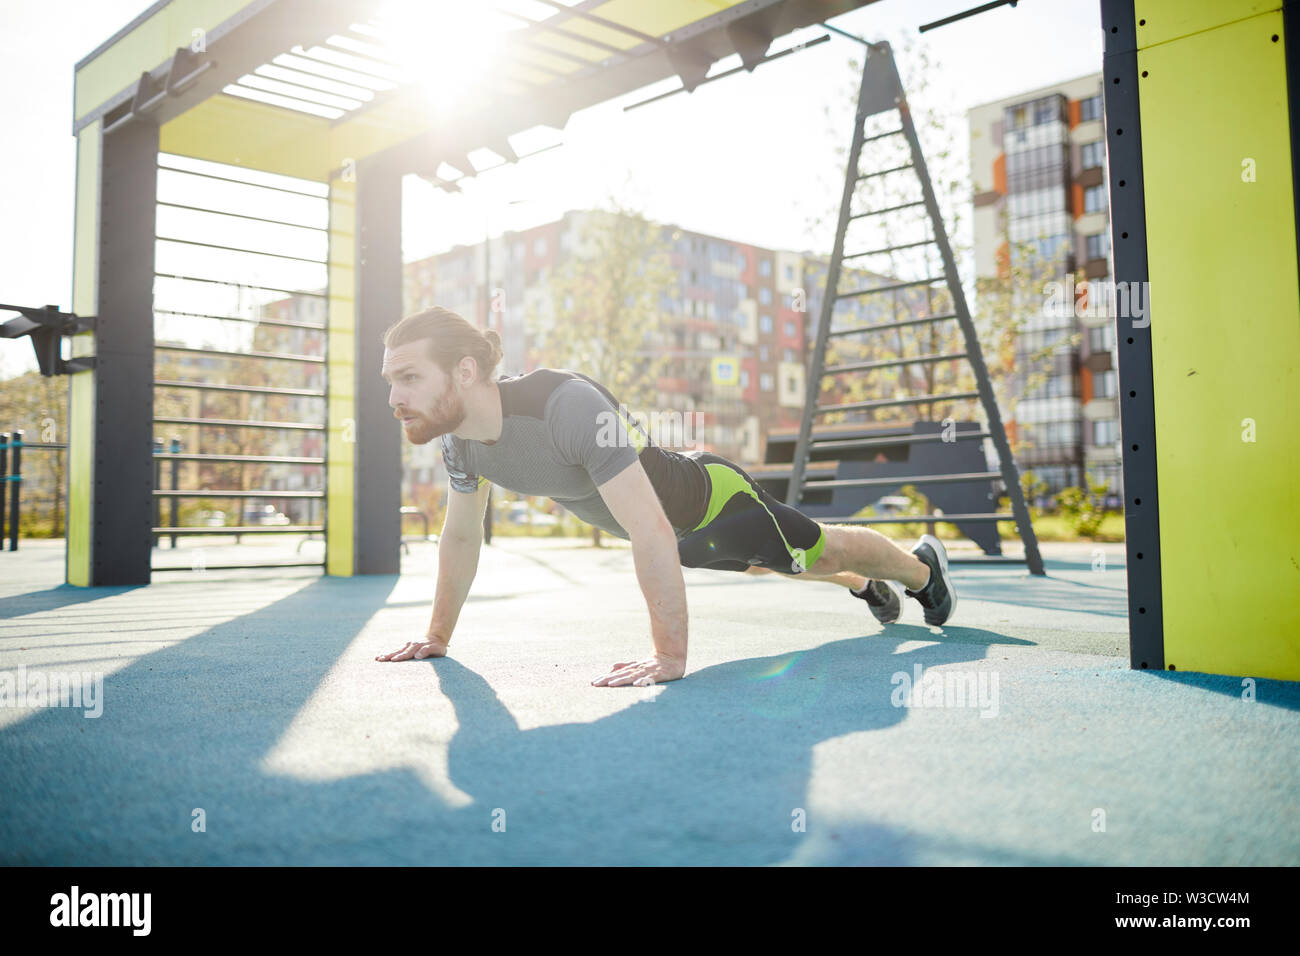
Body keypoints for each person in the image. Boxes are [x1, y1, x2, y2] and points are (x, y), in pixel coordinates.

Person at [375, 307, 956, 687]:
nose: (396, 397)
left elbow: (650, 529)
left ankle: (920, 570)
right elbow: (459, 534)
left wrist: (669, 657)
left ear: (466, 371)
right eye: (391, 382)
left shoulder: (565, 406)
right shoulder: (461, 446)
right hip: (680, 544)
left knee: (815, 551)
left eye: (410, 377)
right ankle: (863, 584)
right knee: (764, 568)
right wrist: (437, 636)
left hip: (716, 506)